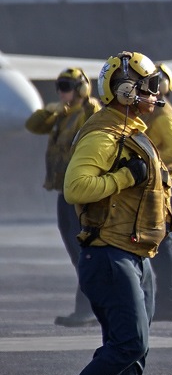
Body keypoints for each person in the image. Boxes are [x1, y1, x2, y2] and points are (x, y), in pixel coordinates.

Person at [40, 50, 172, 375]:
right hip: (109, 254)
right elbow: (76, 186)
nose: (156, 94)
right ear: (128, 90)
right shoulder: (104, 134)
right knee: (129, 342)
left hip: (135, 254)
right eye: (149, 87)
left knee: (134, 348)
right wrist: (125, 176)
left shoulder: (131, 129)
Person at [24, 67, 103, 327]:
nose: (62, 91)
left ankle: (87, 308)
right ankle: (92, 304)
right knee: (75, 252)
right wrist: (52, 109)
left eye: (67, 86)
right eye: (60, 86)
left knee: (83, 252)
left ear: (81, 87)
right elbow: (33, 125)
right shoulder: (62, 114)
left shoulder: (91, 113)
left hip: (81, 192)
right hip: (63, 191)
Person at [142, 63, 172, 320]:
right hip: (155, 185)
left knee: (163, 243)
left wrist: (148, 161)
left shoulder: (162, 114)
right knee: (158, 244)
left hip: (164, 186)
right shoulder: (152, 112)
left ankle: (170, 302)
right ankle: (166, 302)